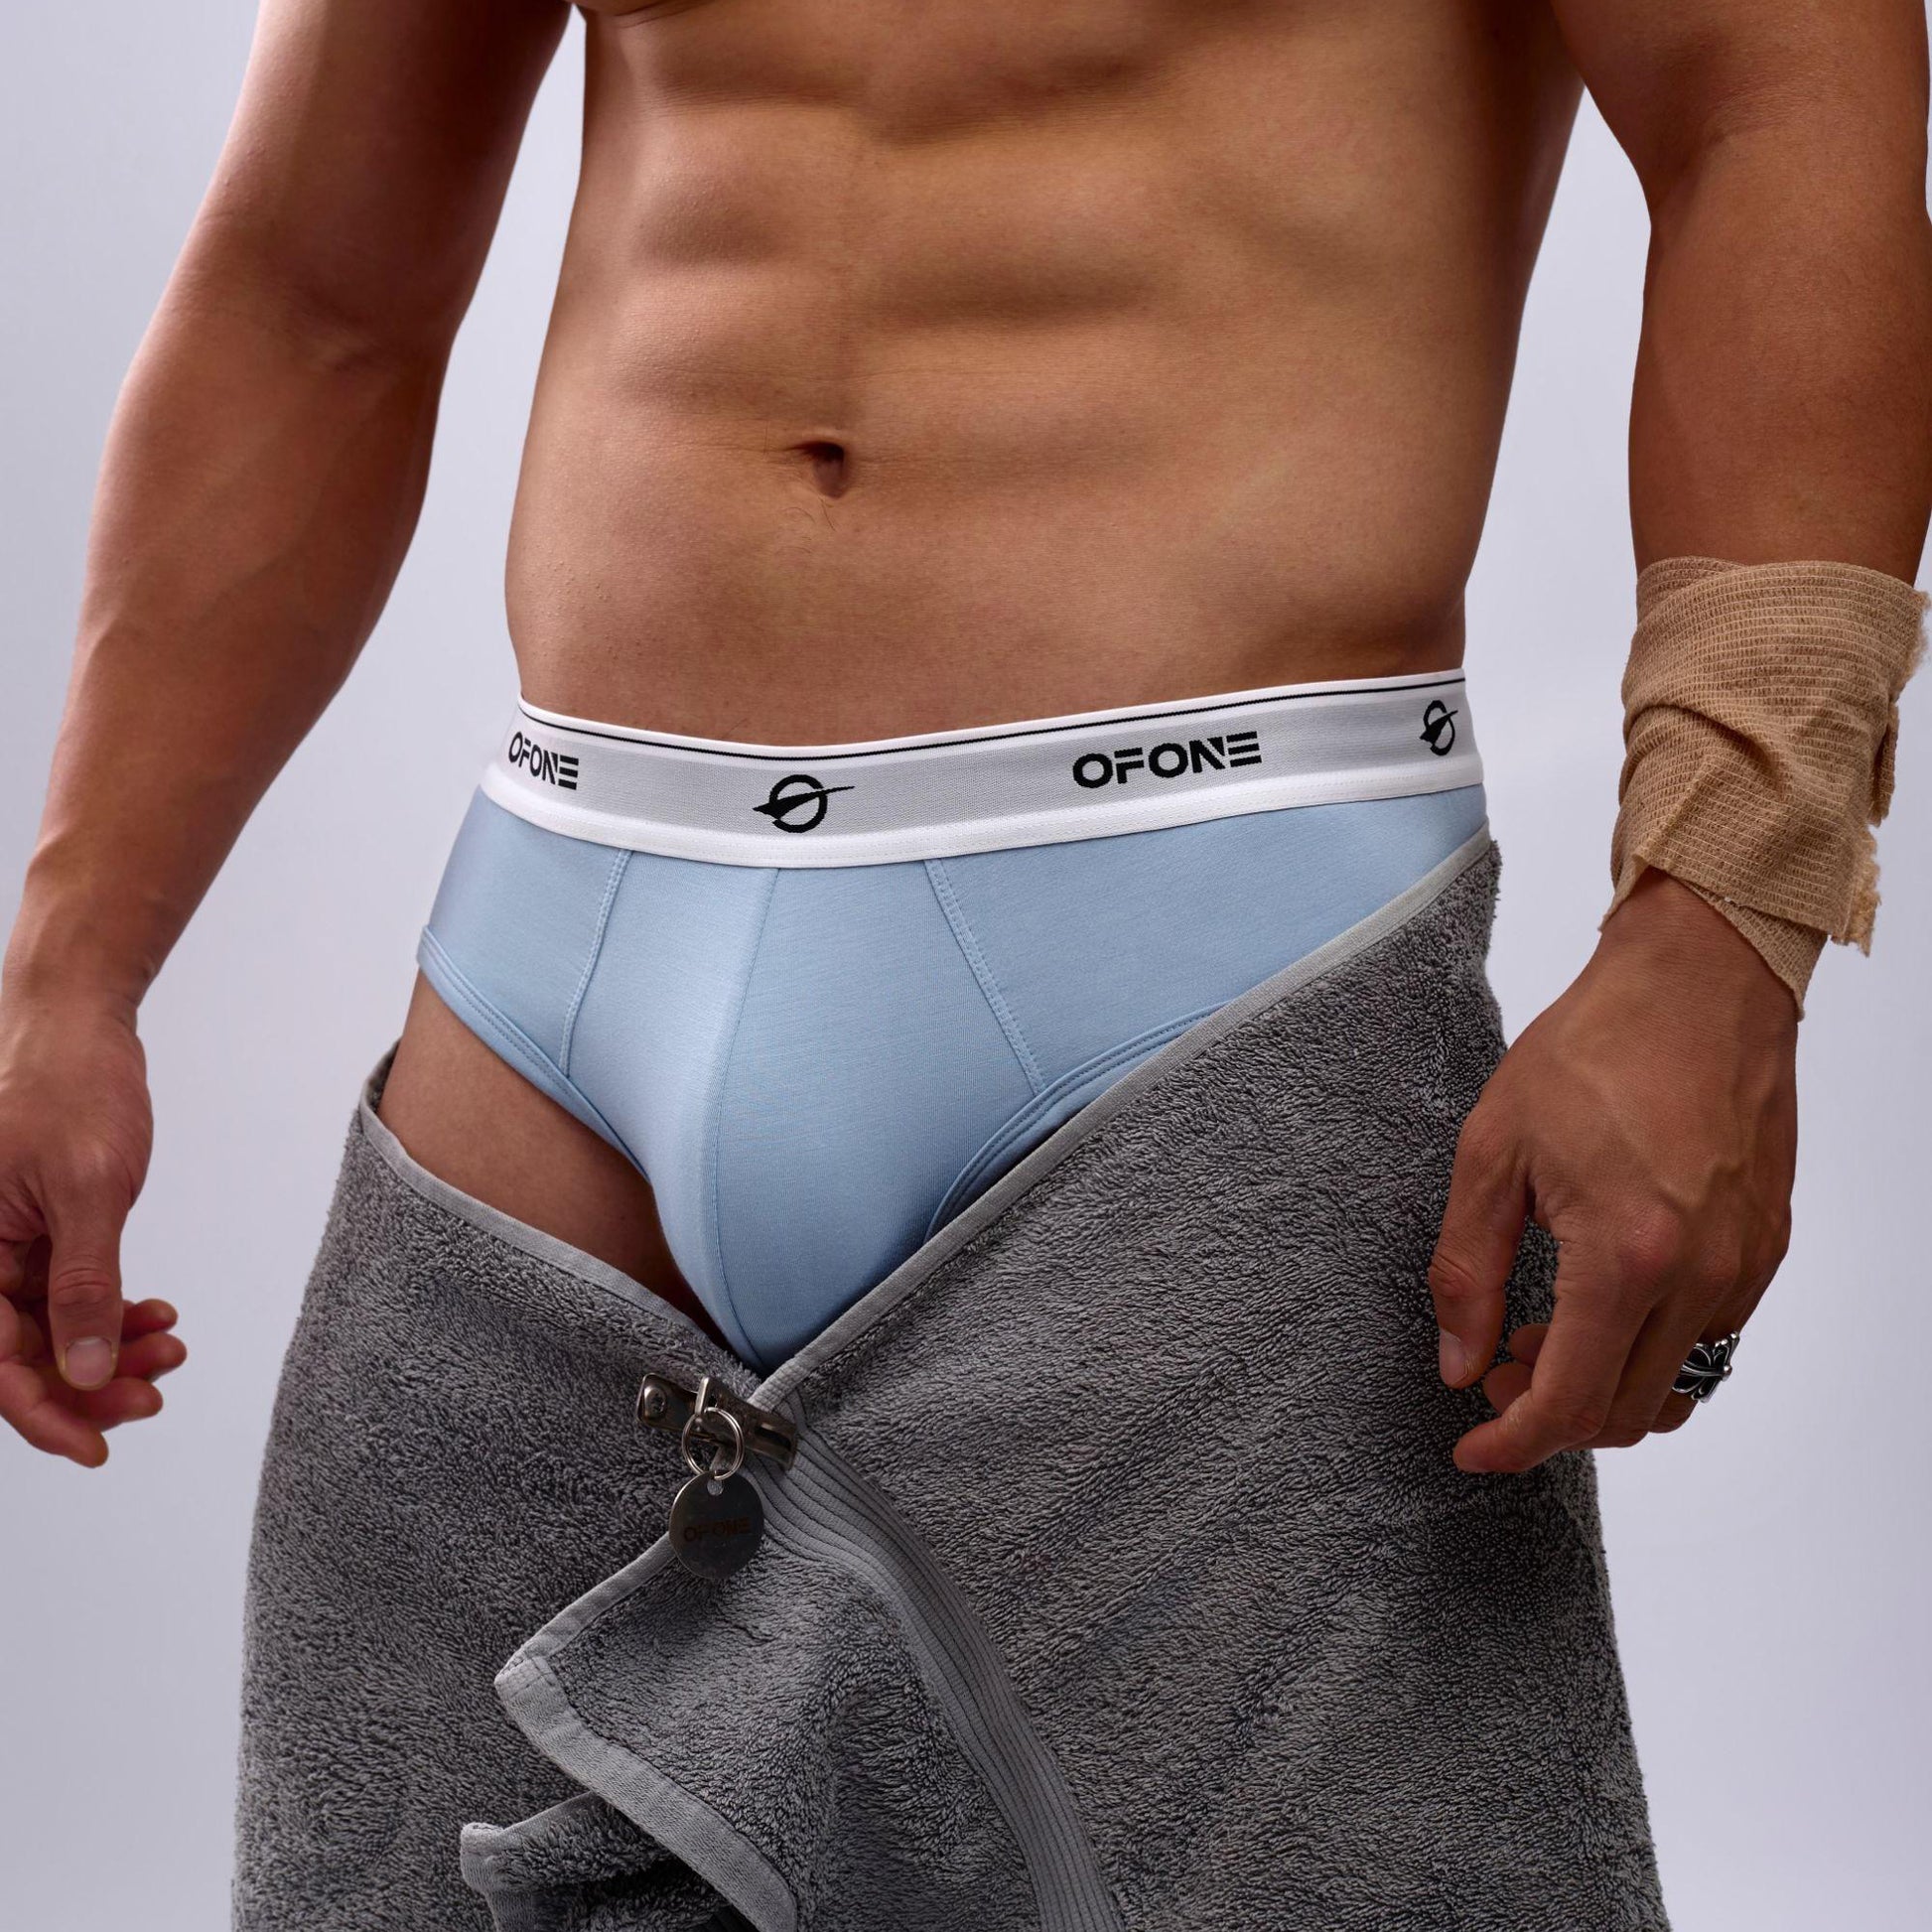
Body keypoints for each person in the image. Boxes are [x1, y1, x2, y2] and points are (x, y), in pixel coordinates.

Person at [0, 0, 1925, 1885]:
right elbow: (313, 293)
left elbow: (1770, 111)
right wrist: (70, 968)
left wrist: (1714, 942)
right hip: (546, 1003)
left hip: (1205, 988)